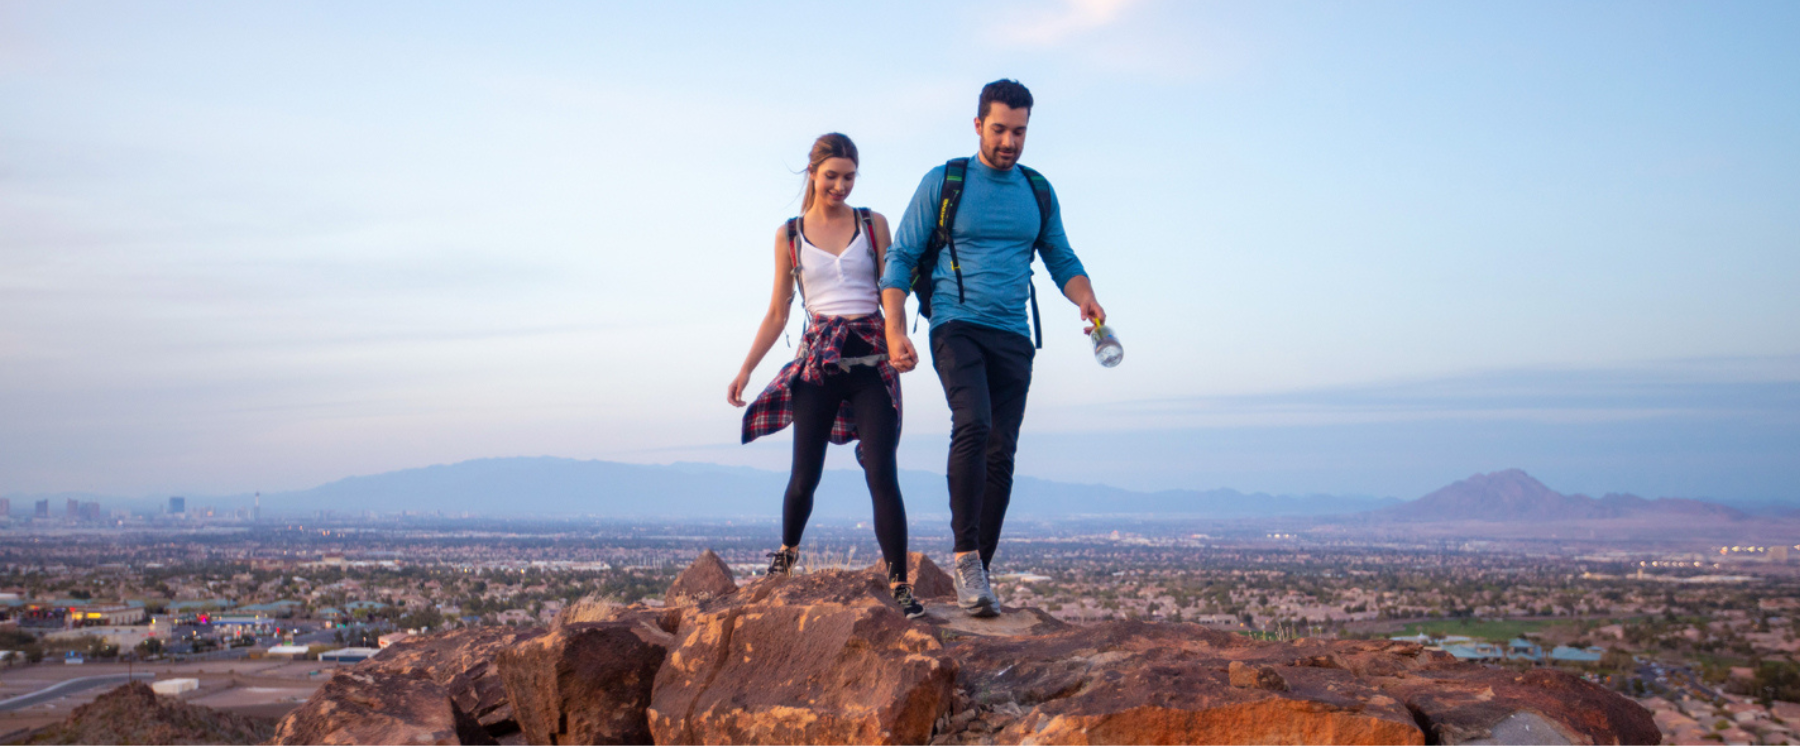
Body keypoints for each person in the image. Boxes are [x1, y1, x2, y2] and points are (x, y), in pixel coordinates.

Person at [879, 80, 1106, 618]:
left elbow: (1061, 258)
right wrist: (894, 327)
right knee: (974, 423)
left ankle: (979, 568)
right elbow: (901, 258)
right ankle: (964, 557)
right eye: (999, 129)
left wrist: (1087, 296)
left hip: (1014, 335)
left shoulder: (1037, 190)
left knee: (1002, 449)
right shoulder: (946, 182)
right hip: (956, 325)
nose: (1009, 141)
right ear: (978, 125)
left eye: (1019, 131)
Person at [729, 132, 924, 619]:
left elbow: (893, 288)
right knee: (804, 475)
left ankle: (899, 583)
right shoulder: (789, 235)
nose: (840, 185)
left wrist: (898, 335)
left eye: (849, 177)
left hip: (871, 364)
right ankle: (787, 557)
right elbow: (778, 311)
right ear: (812, 173)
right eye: (831, 176)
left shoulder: (872, 223)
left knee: (882, 472)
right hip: (818, 366)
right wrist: (747, 368)